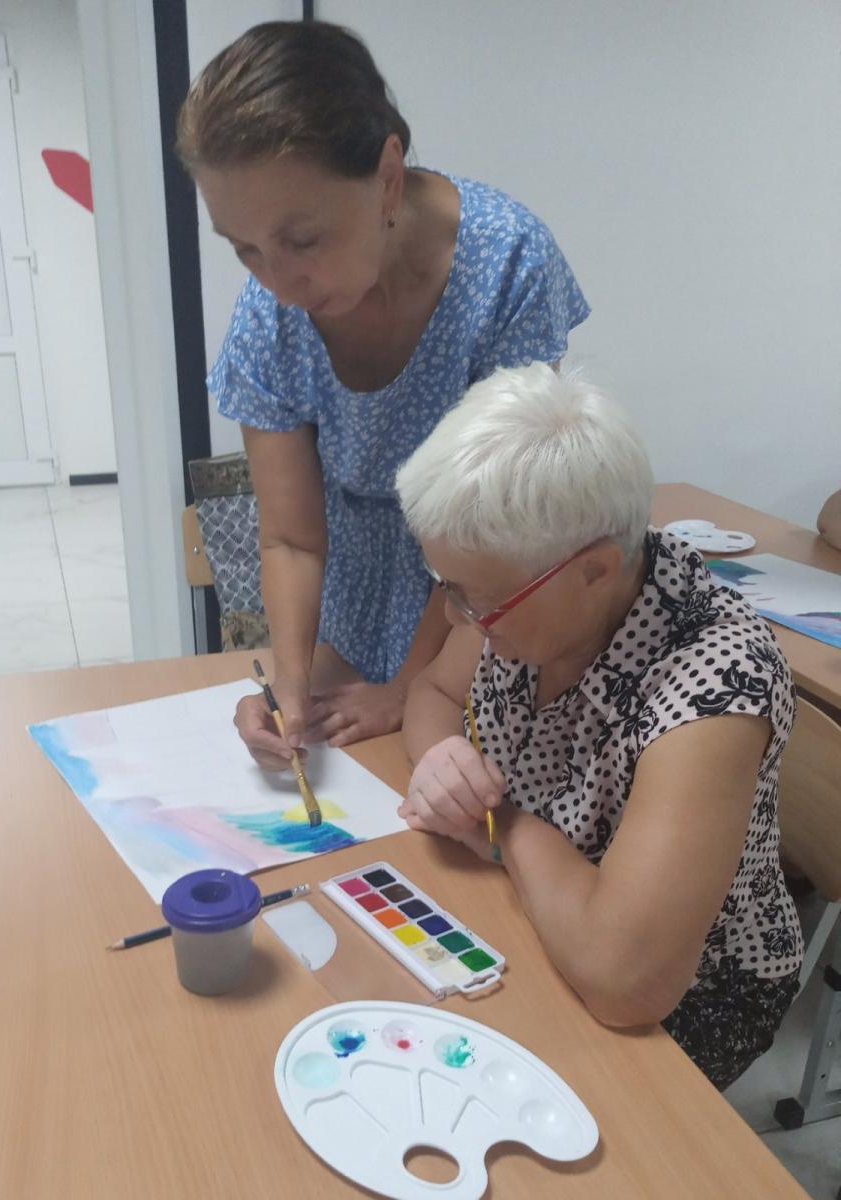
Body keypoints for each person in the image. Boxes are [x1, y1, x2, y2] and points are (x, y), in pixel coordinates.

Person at [176, 20, 589, 766]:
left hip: (481, 620)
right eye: (244, 249)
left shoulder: (507, 266)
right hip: (354, 615)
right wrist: (289, 688)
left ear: (388, 178)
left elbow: (496, 527)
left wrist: (414, 688)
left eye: (302, 240)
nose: (278, 283)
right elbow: (292, 539)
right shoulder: (270, 316)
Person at [394, 362, 802, 1090]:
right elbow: (431, 691)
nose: (458, 617)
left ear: (594, 571)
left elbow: (626, 982)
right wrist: (442, 758)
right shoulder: (524, 588)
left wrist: (501, 827)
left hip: (690, 993)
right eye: (447, 589)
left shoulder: (716, 683)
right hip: (537, 904)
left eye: (476, 601)